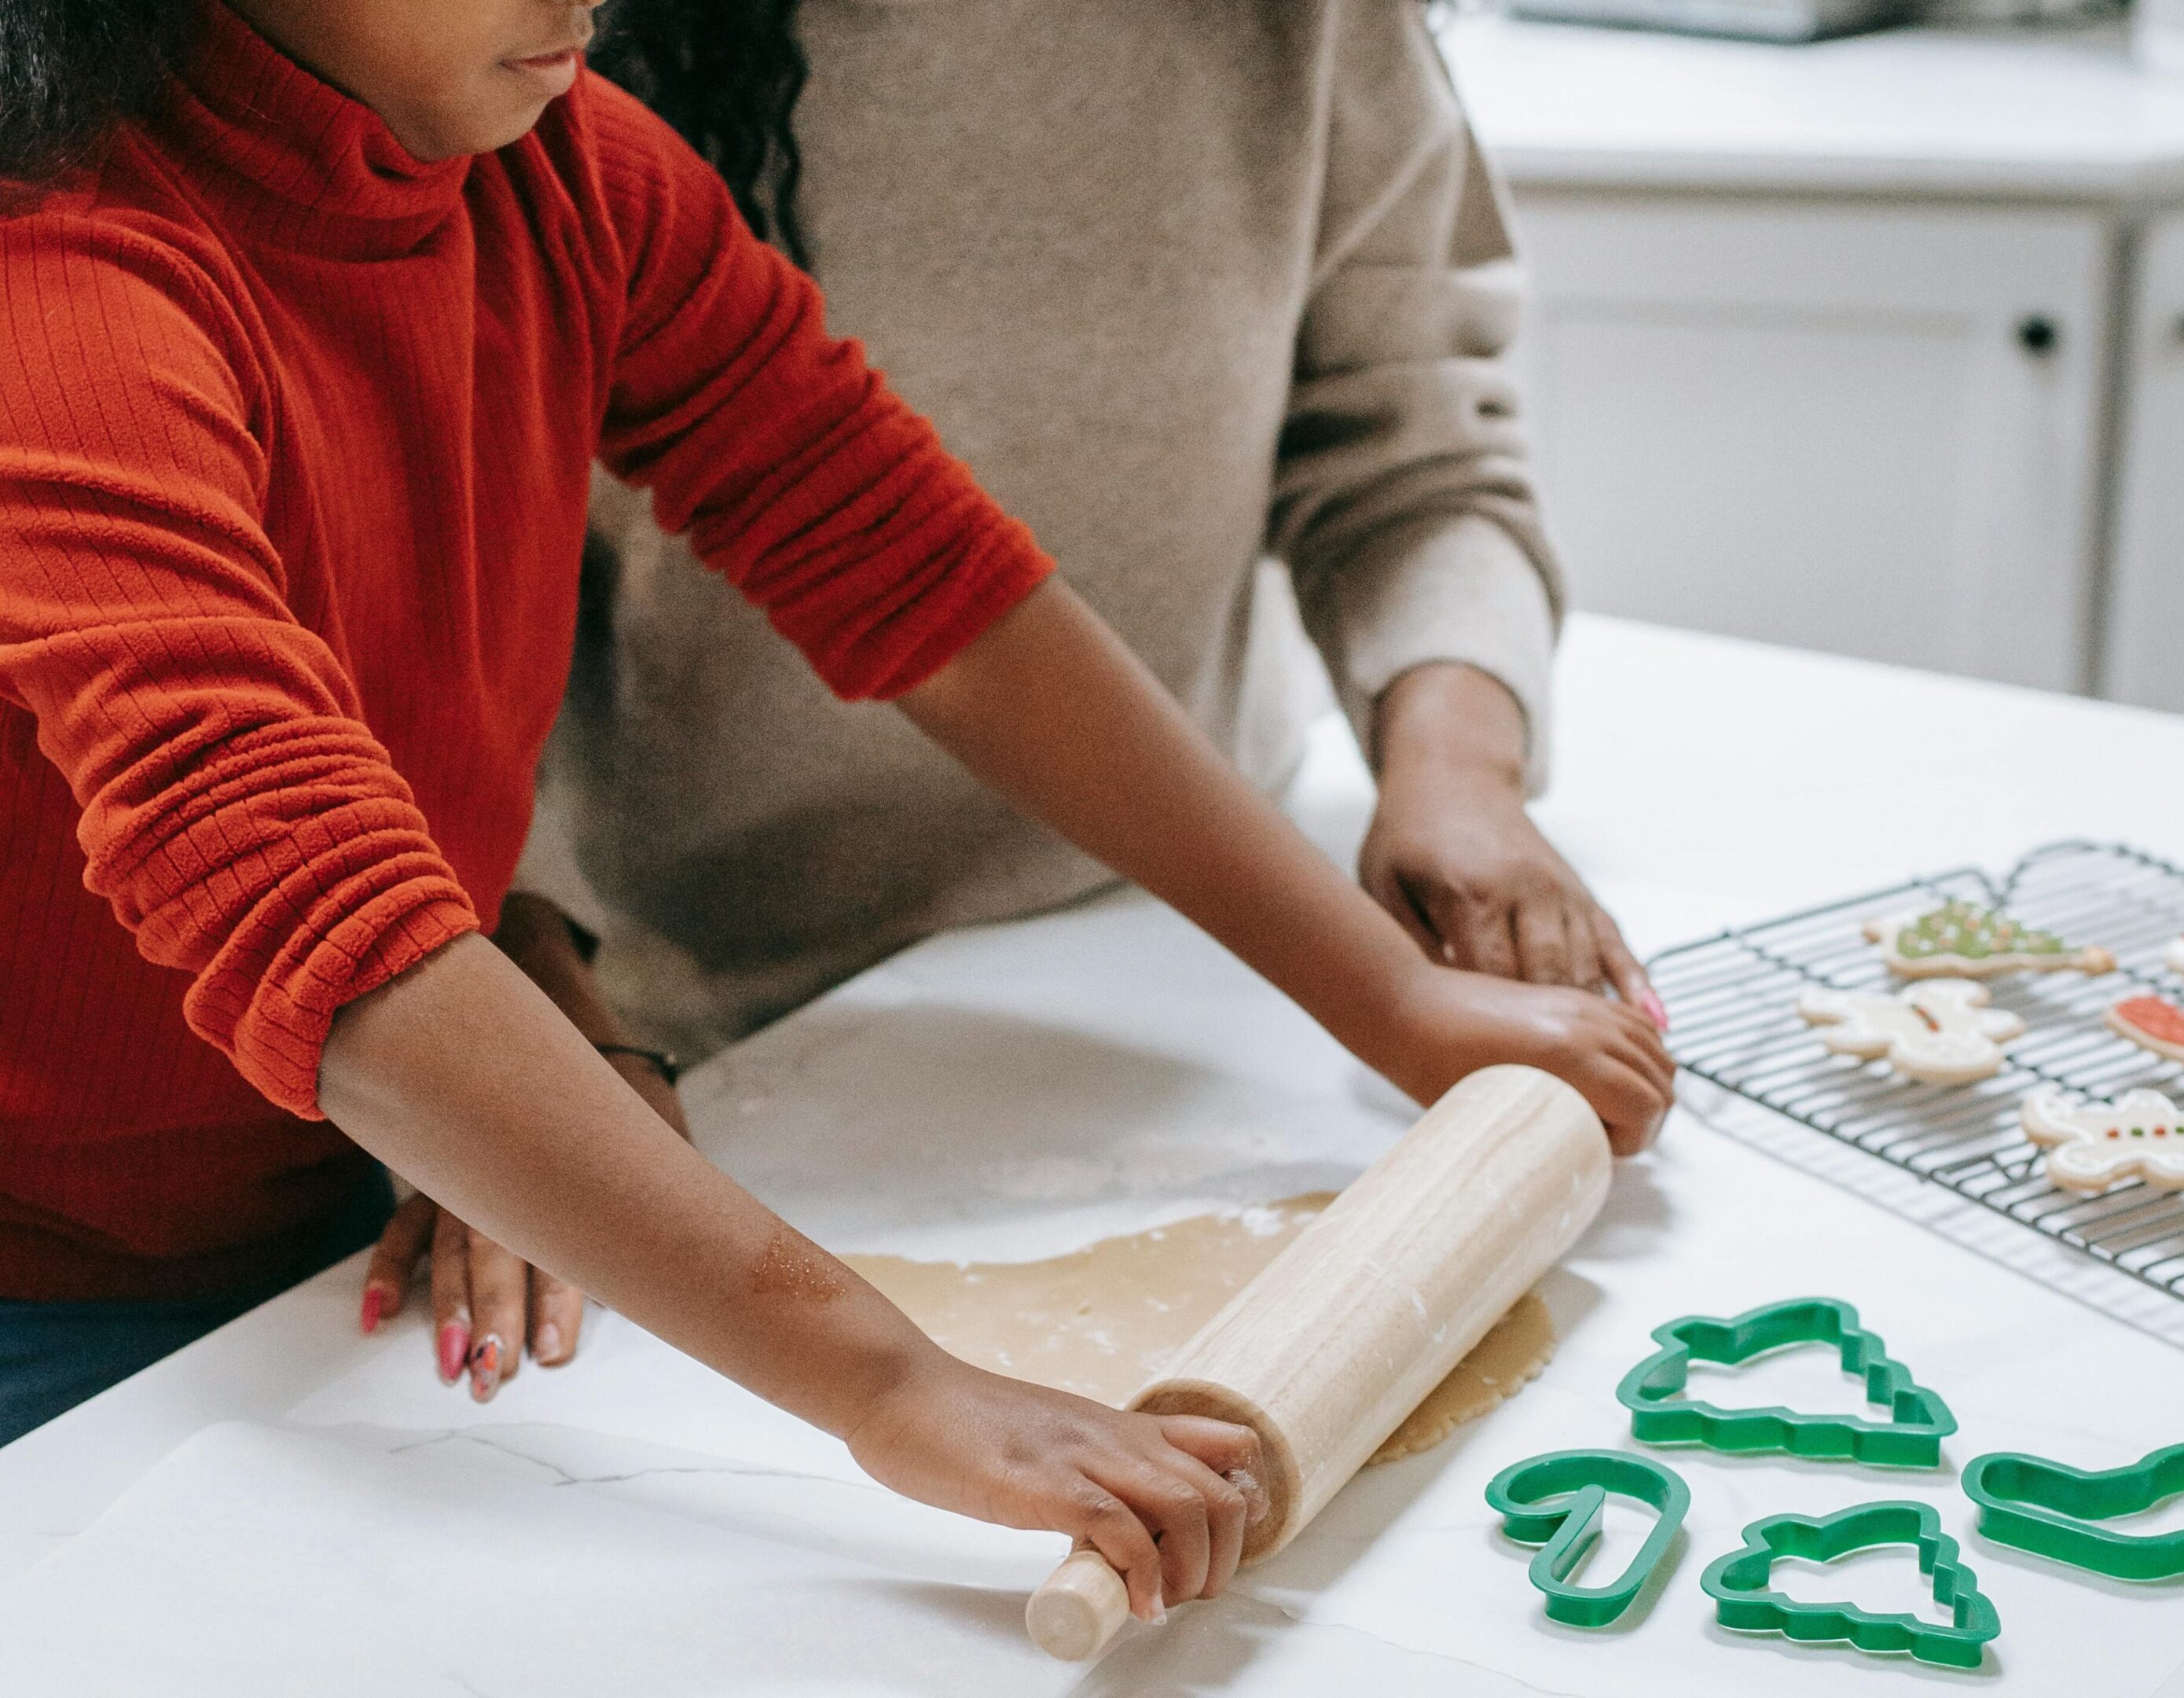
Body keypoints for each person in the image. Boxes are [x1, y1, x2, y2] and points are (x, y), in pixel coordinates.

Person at [0, 0, 1668, 1621]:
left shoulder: (564, 164)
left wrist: (1386, 997)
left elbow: (924, 575)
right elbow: (318, 925)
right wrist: (889, 1387)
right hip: (46, 1268)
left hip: (326, 1192)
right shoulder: (56, 285)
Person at [373, 0, 1668, 1391]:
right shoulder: (525, 58)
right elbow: (407, 630)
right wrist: (531, 1013)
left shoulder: (1299, 27)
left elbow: (921, 570)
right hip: (685, 994)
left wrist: (1442, 817)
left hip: (1176, 942)